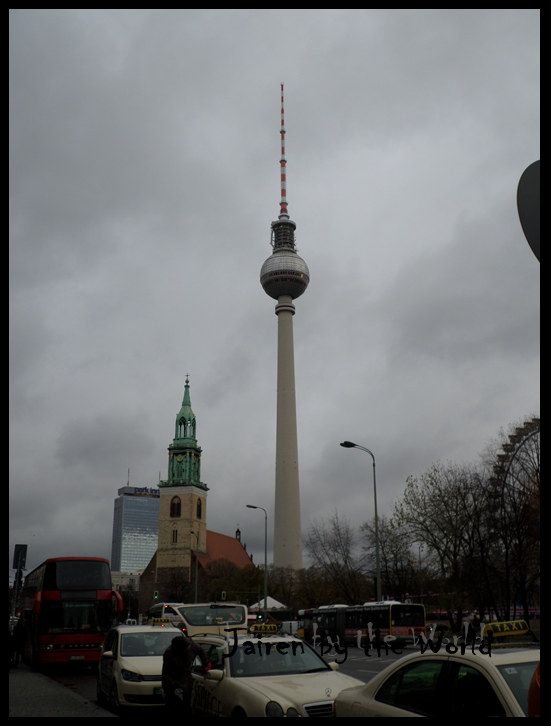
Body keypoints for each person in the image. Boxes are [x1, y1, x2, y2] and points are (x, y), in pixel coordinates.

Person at [162, 634, 209, 716]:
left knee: (186, 707)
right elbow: (166, 673)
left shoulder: (191, 644)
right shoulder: (169, 653)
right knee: (172, 707)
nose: (189, 648)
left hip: (186, 680)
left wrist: (205, 664)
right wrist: (173, 687)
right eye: (187, 648)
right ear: (180, 649)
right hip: (173, 681)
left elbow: (201, 651)